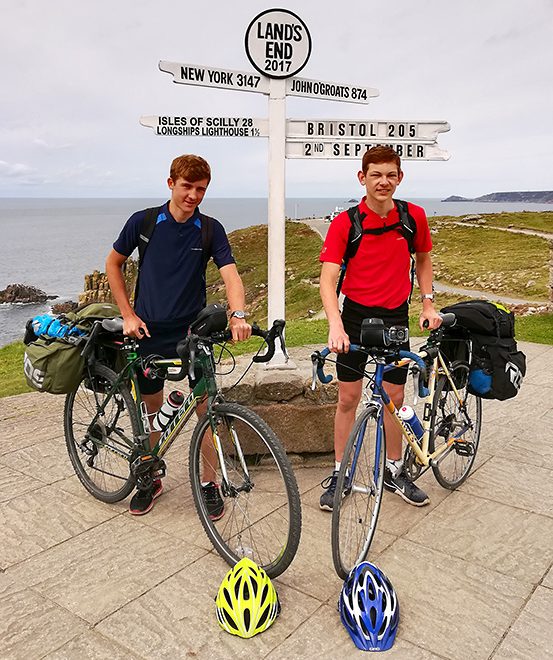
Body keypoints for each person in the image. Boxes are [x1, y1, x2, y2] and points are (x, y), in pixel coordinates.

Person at [106, 154, 251, 516]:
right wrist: (127, 314)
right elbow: (113, 263)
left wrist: (238, 315)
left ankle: (209, 482)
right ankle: (149, 474)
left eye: (200, 189)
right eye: (187, 186)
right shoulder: (144, 222)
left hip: (192, 332)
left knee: (206, 407)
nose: (193, 195)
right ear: (171, 183)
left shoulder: (209, 229)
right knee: (151, 411)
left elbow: (231, 276)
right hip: (148, 331)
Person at [318, 146, 441, 510]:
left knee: (396, 399)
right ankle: (340, 472)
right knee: (347, 399)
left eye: (390, 175)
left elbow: (423, 259)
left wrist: (428, 301)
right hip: (354, 316)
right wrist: (335, 326)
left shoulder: (412, 217)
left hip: (394, 317)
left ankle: (393, 469)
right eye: (376, 175)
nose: (383, 181)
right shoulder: (346, 222)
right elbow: (327, 280)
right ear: (363, 178)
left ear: (399, 178)